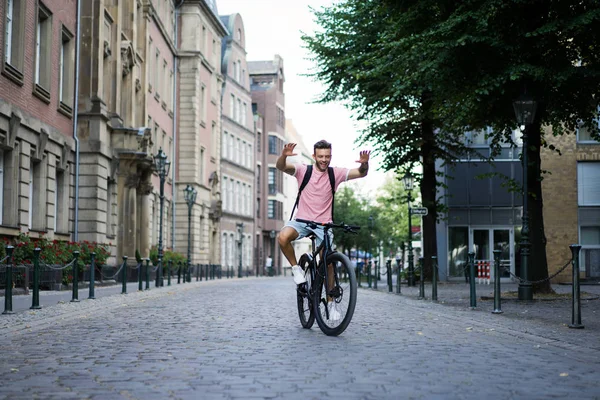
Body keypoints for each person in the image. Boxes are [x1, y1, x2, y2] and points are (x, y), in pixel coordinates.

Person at [276, 139, 370, 296]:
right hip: (302, 221)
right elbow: (281, 166)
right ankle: (296, 269)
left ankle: (331, 301)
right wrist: (284, 156)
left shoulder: (335, 173)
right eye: (320, 156)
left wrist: (364, 164)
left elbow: (361, 173)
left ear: (331, 156)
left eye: (327, 156)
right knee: (283, 237)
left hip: (324, 225)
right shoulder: (303, 170)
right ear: (314, 156)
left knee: (328, 263)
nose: (324, 160)